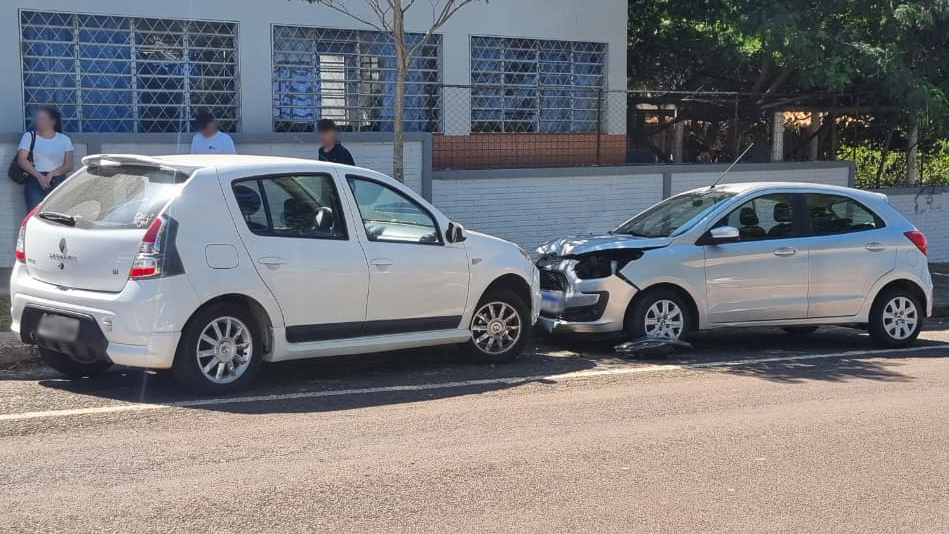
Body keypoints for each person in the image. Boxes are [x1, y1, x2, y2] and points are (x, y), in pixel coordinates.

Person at [17, 106, 74, 211]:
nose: (38, 122)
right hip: (35, 179)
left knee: (58, 214)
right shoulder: (29, 136)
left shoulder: (64, 140)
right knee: (35, 214)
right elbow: (22, 160)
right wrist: (40, 177)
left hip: (58, 180)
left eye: (42, 119)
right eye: (38, 118)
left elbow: (69, 165)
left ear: (52, 122)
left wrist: (51, 174)